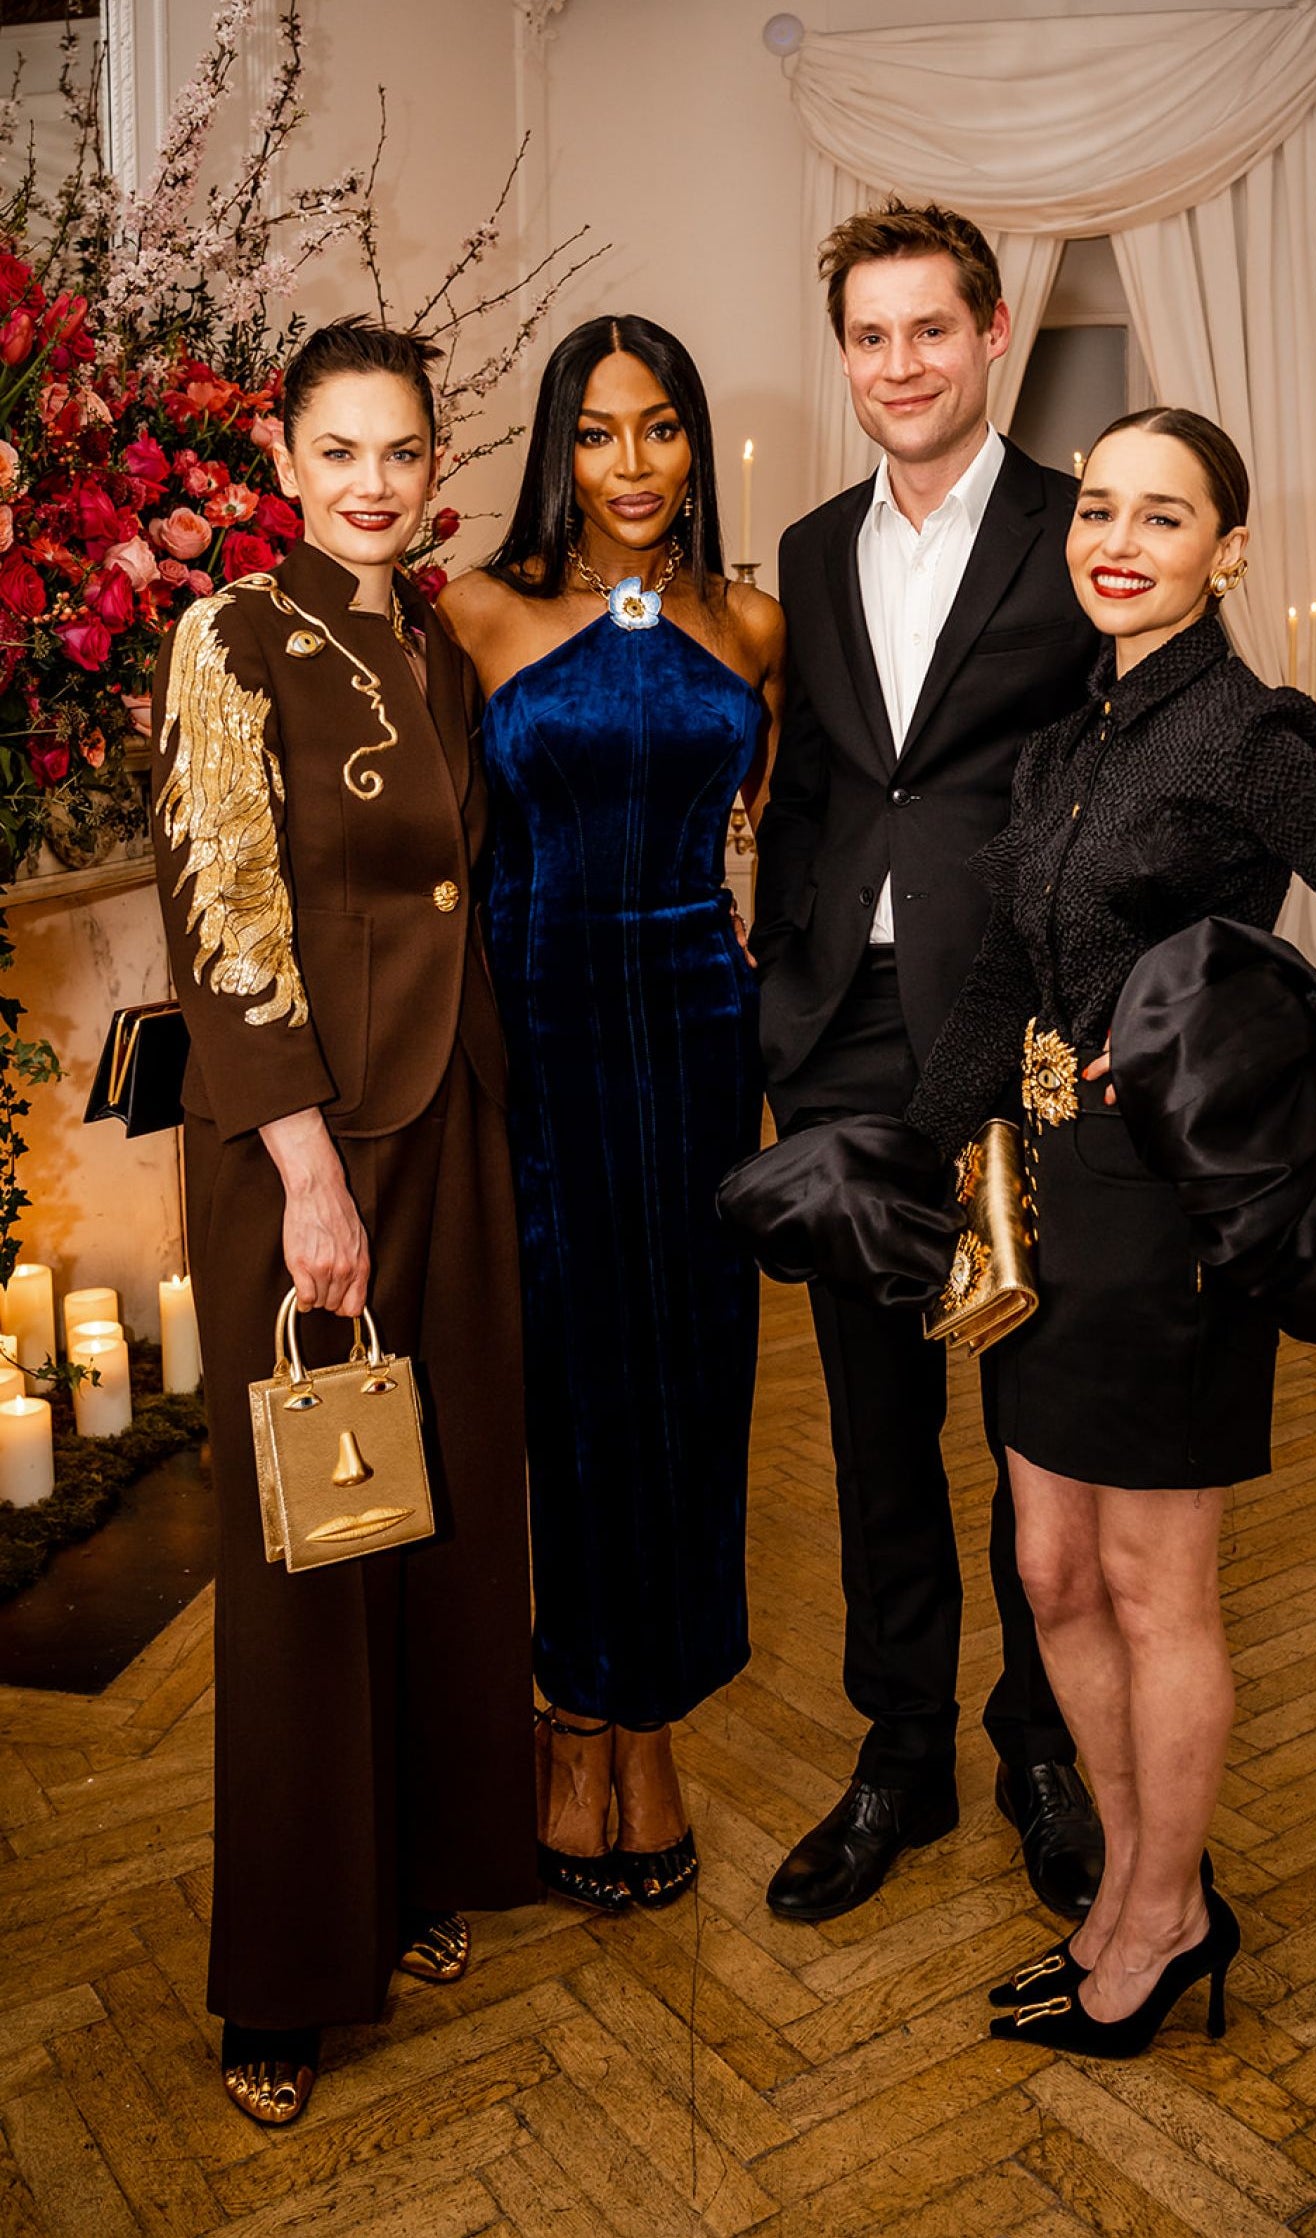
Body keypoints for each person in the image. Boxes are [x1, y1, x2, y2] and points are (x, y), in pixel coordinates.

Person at [907, 407, 1316, 2056]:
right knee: (1048, 1564)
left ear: (1226, 549)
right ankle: (1131, 1885)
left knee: (1160, 1592)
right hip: (1045, 1209)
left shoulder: (1241, 734)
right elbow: (1013, 972)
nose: (1121, 539)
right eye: (1100, 507)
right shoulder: (1066, 738)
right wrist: (911, 1149)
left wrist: (1251, 1041)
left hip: (1174, 1221)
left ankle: (1163, 1915)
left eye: (1165, 517)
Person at [149, 318, 535, 2124]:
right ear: (283, 461)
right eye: (339, 450)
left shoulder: (430, 645)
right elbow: (225, 907)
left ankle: (416, 1876)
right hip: (305, 1146)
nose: (372, 481)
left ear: (429, 465)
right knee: (309, 1540)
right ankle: (284, 1981)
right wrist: (306, 1168)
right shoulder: (230, 636)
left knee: (438, 1519)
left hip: (447, 1123)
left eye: (400, 451)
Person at [750, 198, 1103, 1925]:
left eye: (929, 331)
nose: (899, 365)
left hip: (1024, 1045)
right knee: (875, 1428)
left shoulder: (1076, 529)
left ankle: (1040, 1738)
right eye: (870, 337)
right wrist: (777, 1001)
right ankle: (902, 1754)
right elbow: (817, 787)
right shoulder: (811, 549)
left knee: (1030, 1416)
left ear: (988, 340)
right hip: (843, 1049)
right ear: (850, 357)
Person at [440, 315, 782, 1913]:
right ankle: (569, 1718)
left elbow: (774, 835)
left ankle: (653, 1723)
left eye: (659, 430)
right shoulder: (478, 614)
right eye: (597, 431)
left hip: (703, 1044)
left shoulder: (751, 624)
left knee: (690, 1386)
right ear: (555, 448)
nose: (632, 465)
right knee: (570, 1391)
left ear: (696, 443)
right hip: (544, 1045)